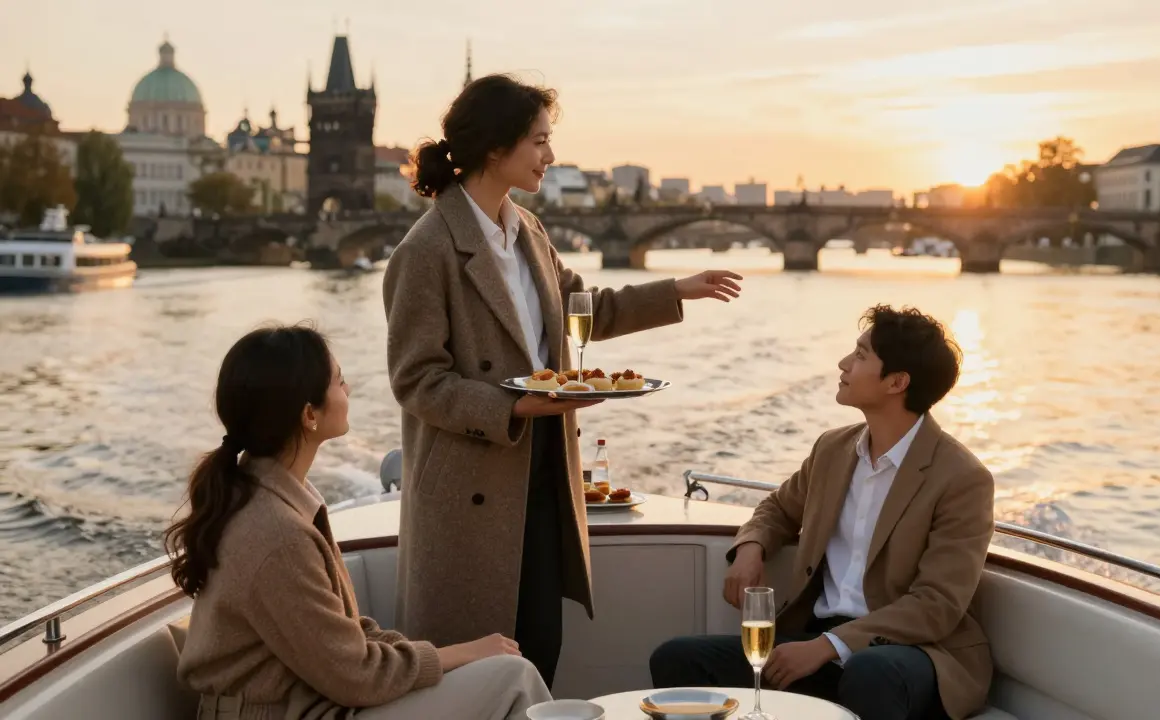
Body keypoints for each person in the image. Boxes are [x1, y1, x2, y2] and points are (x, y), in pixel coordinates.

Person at [382, 74, 742, 688]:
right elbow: (417, 381)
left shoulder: (527, 230)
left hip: (544, 470)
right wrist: (516, 408)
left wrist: (676, 290)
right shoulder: (427, 249)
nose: (551, 156)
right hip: (475, 482)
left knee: (539, 644)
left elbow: (579, 310)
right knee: (480, 669)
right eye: (540, 142)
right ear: (497, 148)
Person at [167, 325, 552, 720]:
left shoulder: (265, 496)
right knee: (513, 678)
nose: (348, 391)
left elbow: (344, 640)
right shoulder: (275, 533)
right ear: (309, 414)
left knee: (502, 673)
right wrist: (459, 654)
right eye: (340, 381)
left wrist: (448, 657)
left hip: (312, 703)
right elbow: (356, 676)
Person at [650, 305, 996, 720]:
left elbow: (936, 604)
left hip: (910, 653)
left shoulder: (962, 477)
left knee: (871, 672)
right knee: (677, 660)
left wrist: (829, 646)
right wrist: (751, 547)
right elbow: (777, 508)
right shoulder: (833, 449)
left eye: (861, 355)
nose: (844, 363)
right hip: (817, 637)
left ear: (897, 382)